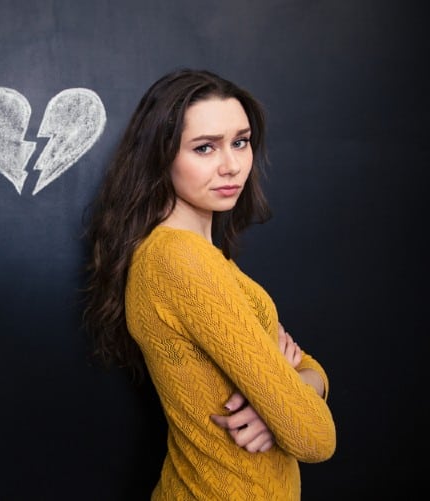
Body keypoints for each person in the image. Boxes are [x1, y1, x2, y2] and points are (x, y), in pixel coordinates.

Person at [82, 68, 335, 500]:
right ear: (161, 157)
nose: (232, 164)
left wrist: (289, 393)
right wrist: (289, 398)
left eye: (241, 141)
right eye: (205, 148)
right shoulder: (180, 261)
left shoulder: (205, 258)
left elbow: (308, 369)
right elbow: (315, 437)